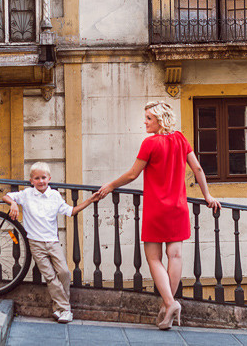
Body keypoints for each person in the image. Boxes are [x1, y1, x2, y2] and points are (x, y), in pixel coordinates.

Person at [93, 101, 221, 330]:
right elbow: (198, 169)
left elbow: (133, 174)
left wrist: (111, 185)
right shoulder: (181, 139)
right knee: (175, 256)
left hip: (156, 208)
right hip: (178, 207)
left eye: (149, 118)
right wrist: (208, 195)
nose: (145, 122)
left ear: (160, 120)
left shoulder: (150, 143)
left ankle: (170, 304)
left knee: (153, 258)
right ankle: (166, 307)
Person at [3, 162, 96, 324]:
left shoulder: (54, 196)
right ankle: (66, 310)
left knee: (64, 273)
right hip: (36, 244)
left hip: (53, 242)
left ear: (49, 179)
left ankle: (58, 308)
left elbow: (71, 211)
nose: (41, 181)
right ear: (31, 180)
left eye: (43, 178)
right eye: (37, 178)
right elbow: (6, 196)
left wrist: (91, 200)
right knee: (50, 277)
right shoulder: (27, 194)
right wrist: (13, 203)